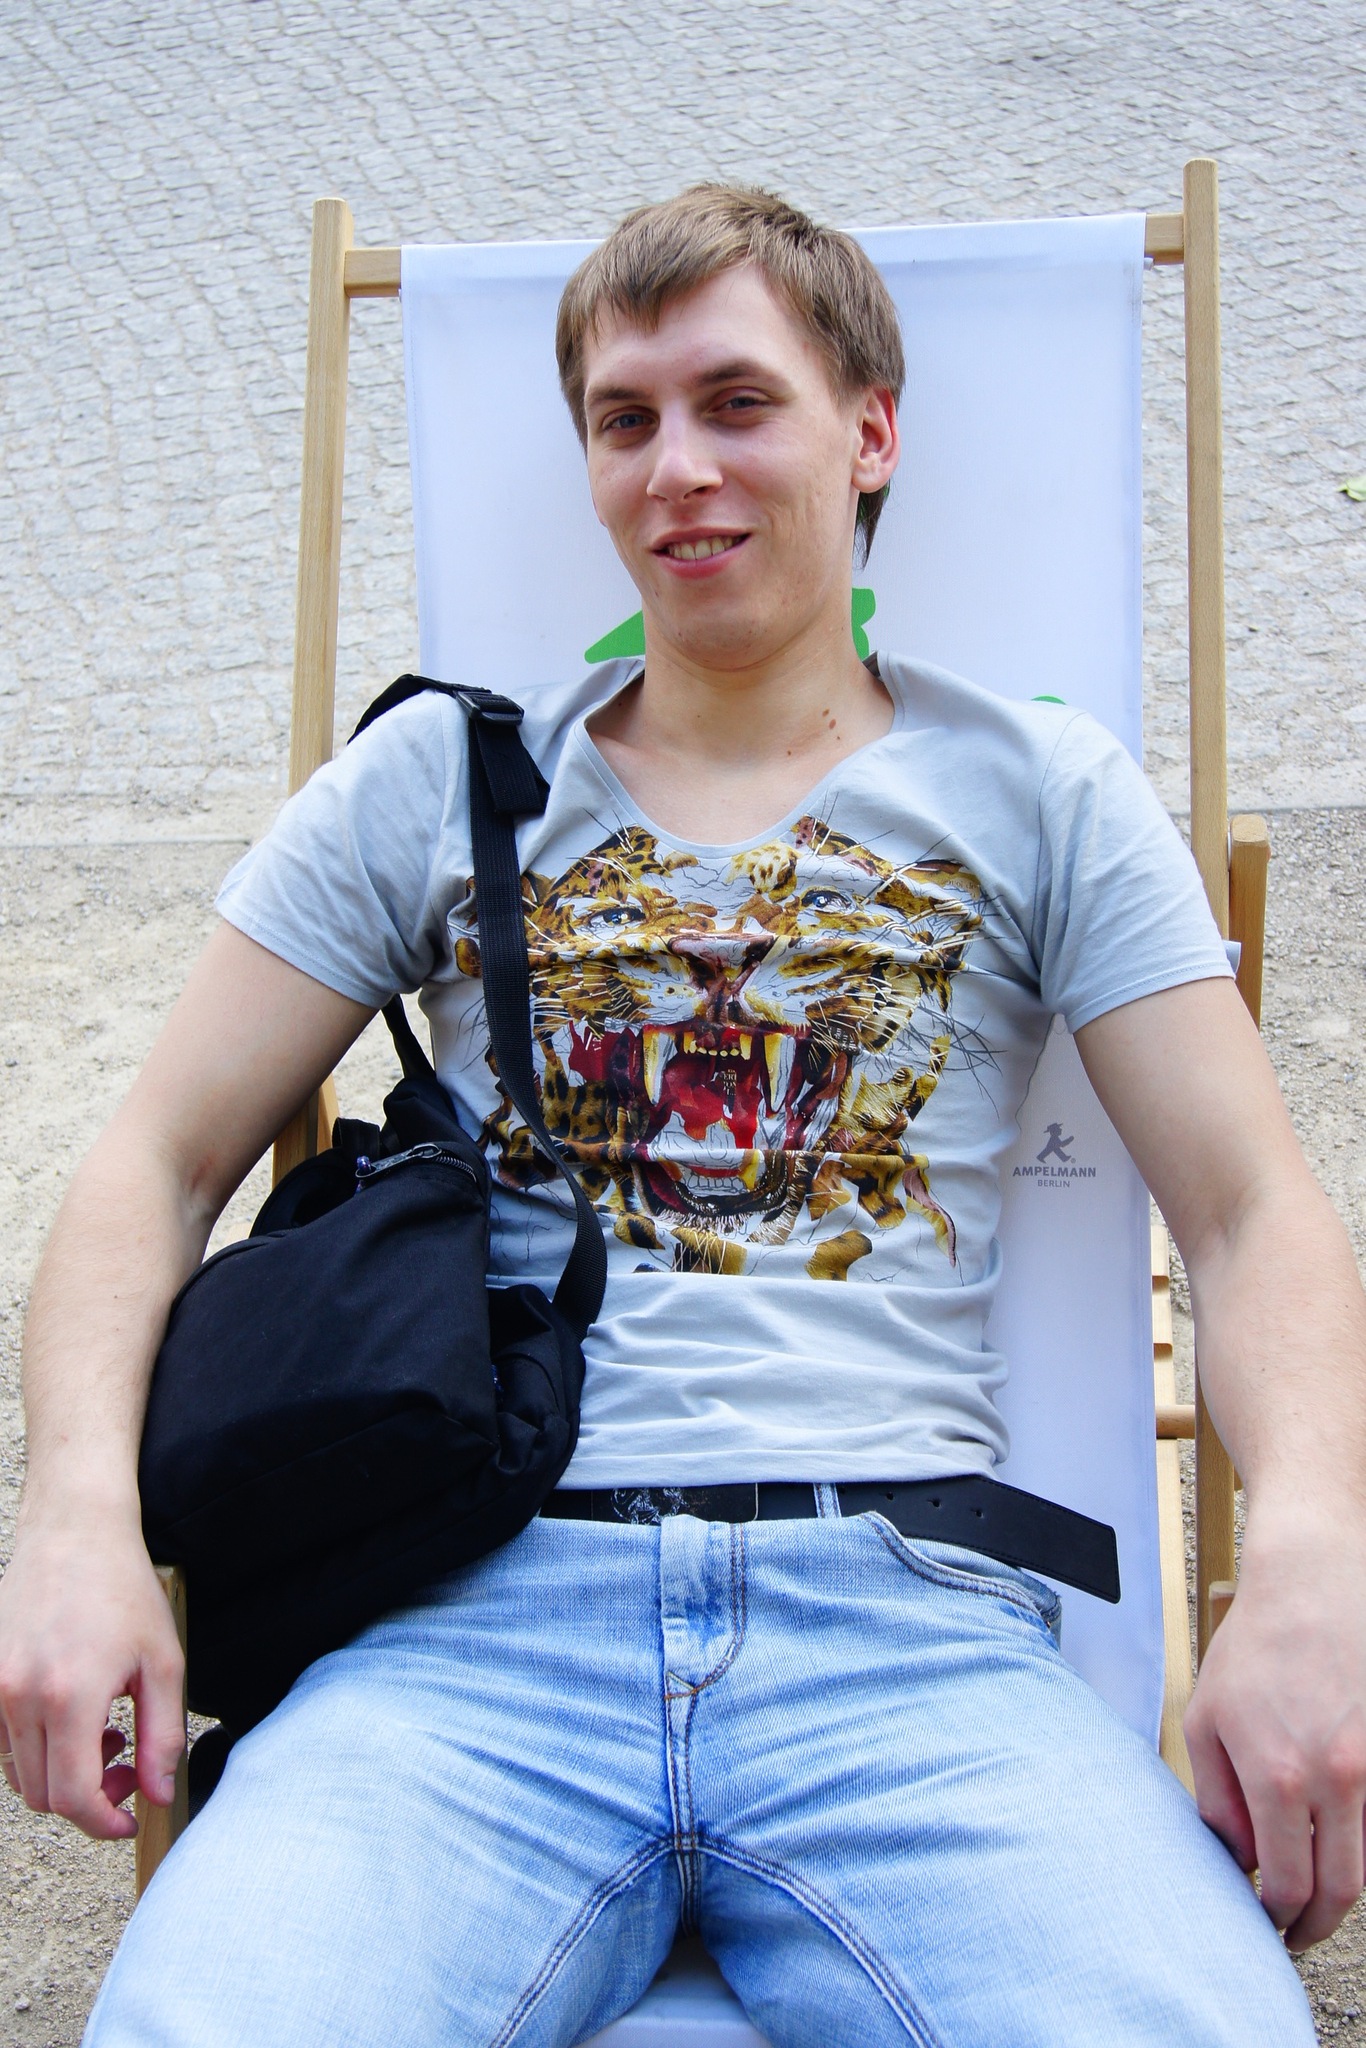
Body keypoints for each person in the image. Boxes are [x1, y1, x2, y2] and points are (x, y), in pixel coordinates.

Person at [0, 185, 1359, 2046]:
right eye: (623, 420)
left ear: (868, 432)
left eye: (736, 403)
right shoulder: (440, 777)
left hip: (903, 1628)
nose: (677, 470)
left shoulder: (1039, 786)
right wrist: (74, 1518)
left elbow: (1249, 1211)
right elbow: (150, 1161)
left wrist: (1305, 1564)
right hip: (473, 1629)